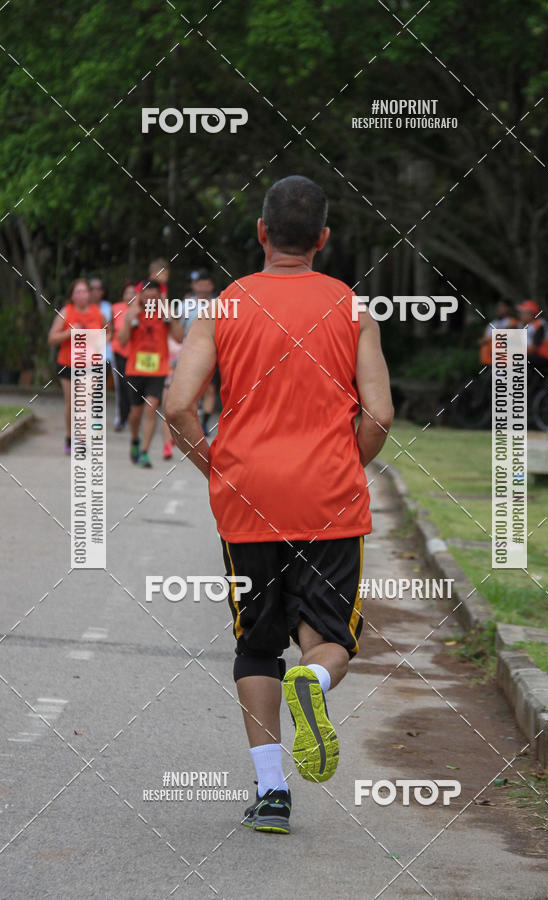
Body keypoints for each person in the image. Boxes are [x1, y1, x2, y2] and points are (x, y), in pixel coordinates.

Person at [167, 175, 393, 834]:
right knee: (329, 639)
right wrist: (343, 465)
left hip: (247, 498)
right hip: (328, 499)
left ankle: (271, 794)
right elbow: (378, 412)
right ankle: (314, 685)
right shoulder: (351, 306)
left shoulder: (226, 305)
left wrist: (217, 465)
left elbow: (179, 404)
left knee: (257, 643)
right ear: (323, 239)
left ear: (262, 233)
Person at [118, 281, 183, 468]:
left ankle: (145, 452)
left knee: (151, 408)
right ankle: (135, 439)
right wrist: (130, 322)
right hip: (135, 369)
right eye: (147, 297)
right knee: (135, 414)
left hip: (158, 369)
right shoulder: (133, 313)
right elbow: (122, 341)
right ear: (141, 297)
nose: (150, 300)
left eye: (155, 297)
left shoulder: (165, 314)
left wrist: (170, 316)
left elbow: (179, 338)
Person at [48, 278, 105, 454]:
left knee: (84, 403)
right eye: (78, 292)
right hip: (68, 363)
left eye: (85, 291)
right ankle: (70, 437)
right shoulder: (66, 312)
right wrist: (70, 333)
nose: (81, 295)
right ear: (72, 295)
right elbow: (52, 339)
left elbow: (108, 332)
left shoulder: (97, 313)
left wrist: (100, 341)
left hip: (90, 364)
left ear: (90, 294)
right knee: (72, 403)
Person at [187, 269, 218, 436]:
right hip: (188, 354)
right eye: (200, 283)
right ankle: (191, 422)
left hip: (212, 353)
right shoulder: (185, 305)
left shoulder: (220, 303)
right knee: (191, 389)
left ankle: (205, 423)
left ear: (211, 285)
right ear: (194, 285)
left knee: (210, 389)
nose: (204, 286)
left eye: (207, 283)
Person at [111, 281, 137, 430]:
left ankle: (134, 417)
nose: (130, 295)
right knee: (121, 385)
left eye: (133, 292)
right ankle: (121, 418)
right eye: (127, 292)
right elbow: (109, 328)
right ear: (123, 295)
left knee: (133, 386)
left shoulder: (141, 309)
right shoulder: (116, 308)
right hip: (119, 352)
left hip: (136, 353)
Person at [518, 300, 548, 376]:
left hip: (547, 357)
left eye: (523, 313)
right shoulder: (525, 326)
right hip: (537, 356)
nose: (520, 315)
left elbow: (533, 349)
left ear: (531, 314)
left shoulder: (539, 325)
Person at [478, 300, 519, 365]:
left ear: (508, 308)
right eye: (498, 306)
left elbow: (510, 335)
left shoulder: (512, 322)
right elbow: (483, 339)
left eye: (502, 306)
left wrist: (489, 338)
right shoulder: (492, 323)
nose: (499, 309)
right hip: (490, 352)